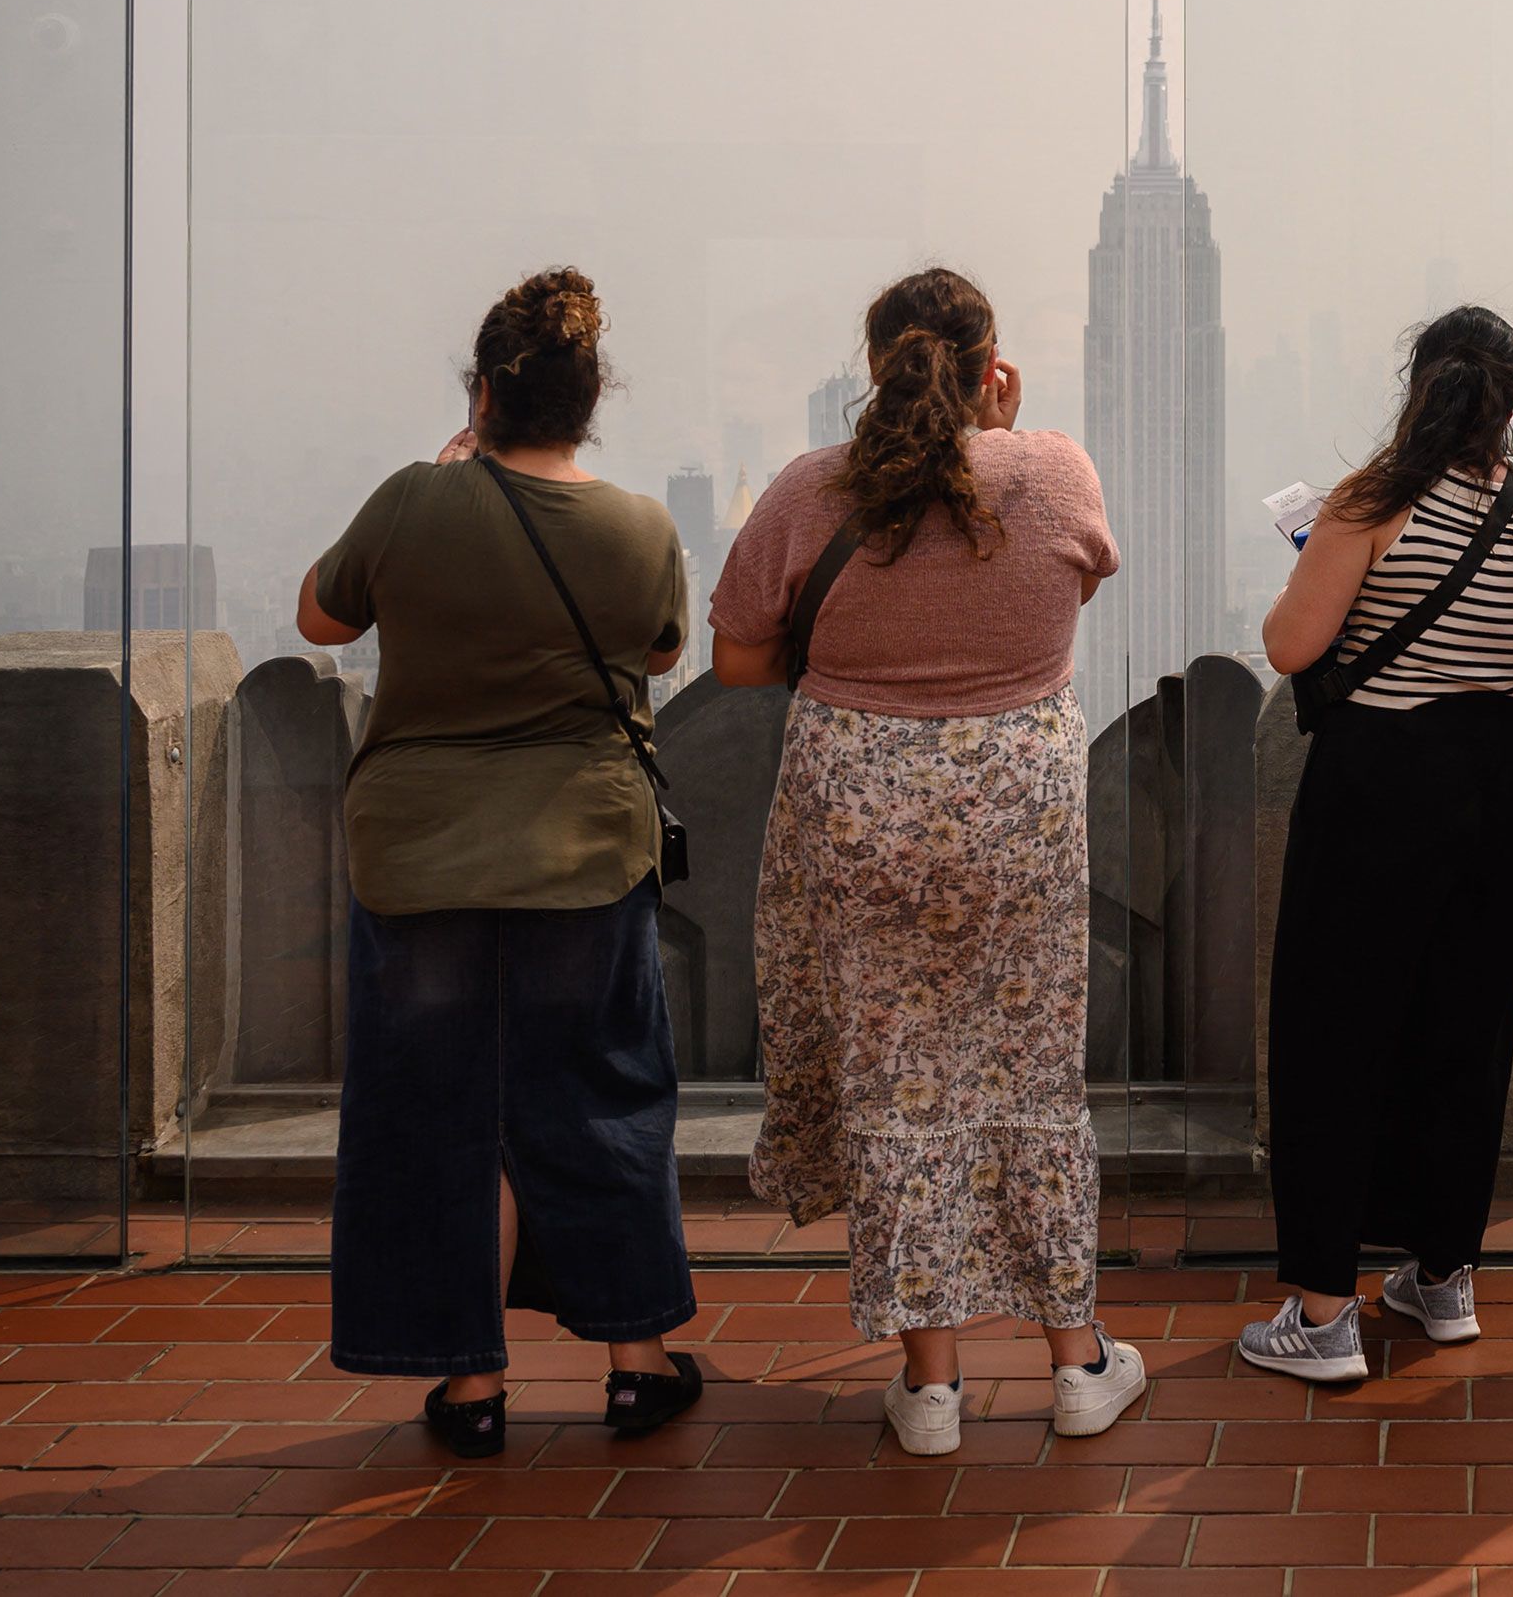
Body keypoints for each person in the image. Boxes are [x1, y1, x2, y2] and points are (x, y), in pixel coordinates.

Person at [709, 264, 1146, 1456]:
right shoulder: (1052, 470)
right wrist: (998, 433)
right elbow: (1084, 575)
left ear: (876, 365)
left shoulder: (811, 487)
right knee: (1028, 1074)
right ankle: (1077, 1362)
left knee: (899, 1079)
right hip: (1016, 820)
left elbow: (740, 660)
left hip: (859, 816)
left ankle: (933, 1385)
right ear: (991, 366)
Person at [302, 266, 703, 1459]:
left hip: (419, 861)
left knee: (433, 1114)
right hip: (584, 853)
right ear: (588, 404)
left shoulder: (412, 501)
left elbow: (324, 621)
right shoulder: (640, 524)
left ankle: (470, 1385)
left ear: (482, 394)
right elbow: (666, 646)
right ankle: (636, 1364)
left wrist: (443, 480)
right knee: (601, 1097)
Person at [1236, 307, 1513, 1384]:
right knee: (1463, 1025)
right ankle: (1443, 1277)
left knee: (1335, 1029)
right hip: (1498, 776)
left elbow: (1293, 643)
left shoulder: (1373, 499)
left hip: (1380, 777)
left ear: (1420, 384)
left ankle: (1326, 1312)